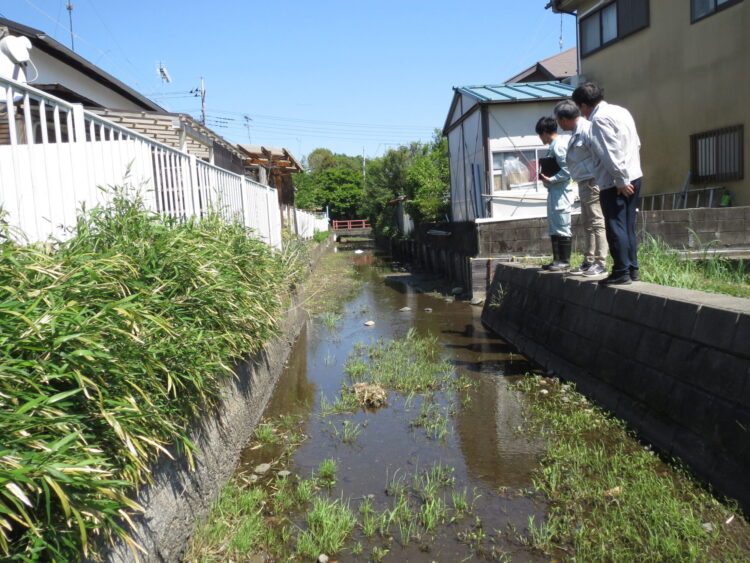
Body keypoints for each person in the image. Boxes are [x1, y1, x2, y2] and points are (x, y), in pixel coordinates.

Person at [571, 82, 642, 286]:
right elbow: (636, 142)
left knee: (615, 226)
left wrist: (621, 179)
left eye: (580, 108)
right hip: (634, 174)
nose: (581, 113)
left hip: (615, 181)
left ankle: (621, 271)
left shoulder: (599, 119)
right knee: (628, 226)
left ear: (584, 105)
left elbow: (609, 153)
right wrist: (629, 174)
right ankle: (632, 268)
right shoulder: (622, 111)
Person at [553, 100, 608, 277]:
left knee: (597, 222)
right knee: (587, 223)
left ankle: (601, 262)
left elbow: (600, 155)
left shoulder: (587, 129)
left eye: (559, 120)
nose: (558, 124)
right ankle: (589, 261)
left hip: (593, 181)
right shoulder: (577, 131)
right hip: (584, 182)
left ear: (564, 118)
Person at [536, 116, 575, 271]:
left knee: (562, 224)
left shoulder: (559, 146)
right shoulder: (553, 146)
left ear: (545, 132)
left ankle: (564, 261)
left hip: (561, 192)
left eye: (540, 134)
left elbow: (568, 170)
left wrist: (551, 179)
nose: (540, 138)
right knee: (554, 226)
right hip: (554, 191)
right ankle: (557, 260)